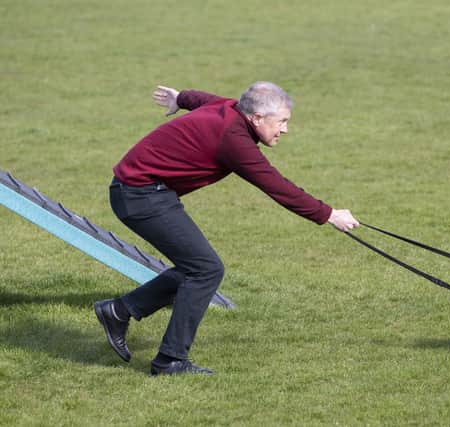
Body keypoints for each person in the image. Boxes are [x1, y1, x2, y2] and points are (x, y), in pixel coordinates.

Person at [94, 82, 359, 376]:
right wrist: (329, 214)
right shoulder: (233, 140)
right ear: (257, 118)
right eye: (281, 122)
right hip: (140, 196)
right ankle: (169, 361)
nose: (285, 130)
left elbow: (203, 99)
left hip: (145, 192)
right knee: (206, 269)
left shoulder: (232, 107)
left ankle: (119, 311)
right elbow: (275, 185)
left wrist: (180, 98)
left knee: (197, 267)